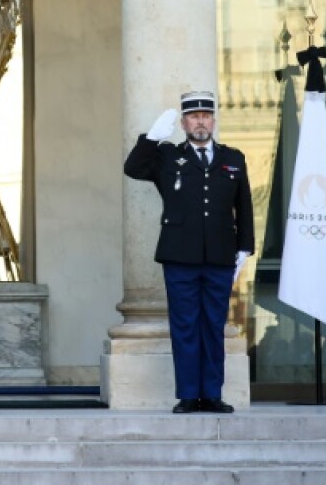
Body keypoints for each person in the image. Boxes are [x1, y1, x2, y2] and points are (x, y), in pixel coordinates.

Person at [123, 90, 254, 414]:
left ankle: (211, 393)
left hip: (221, 257)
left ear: (213, 120)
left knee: (213, 326)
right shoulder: (167, 156)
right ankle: (187, 394)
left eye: (206, 116)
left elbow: (244, 206)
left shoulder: (232, 158)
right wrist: (151, 139)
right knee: (184, 326)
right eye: (194, 117)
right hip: (179, 256)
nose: (200, 121)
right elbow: (133, 168)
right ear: (183, 123)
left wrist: (245, 248)